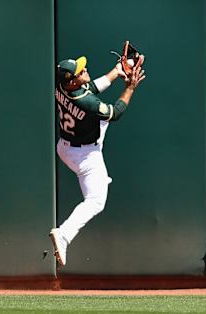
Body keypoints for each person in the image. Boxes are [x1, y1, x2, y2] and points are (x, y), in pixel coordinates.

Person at [49, 54, 145, 266]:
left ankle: (100, 178)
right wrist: (130, 88)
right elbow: (115, 112)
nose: (84, 70)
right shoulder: (84, 101)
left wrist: (115, 72)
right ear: (72, 81)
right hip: (84, 155)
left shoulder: (62, 86)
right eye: (80, 71)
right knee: (96, 201)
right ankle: (64, 234)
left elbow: (88, 89)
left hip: (66, 146)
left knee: (98, 123)